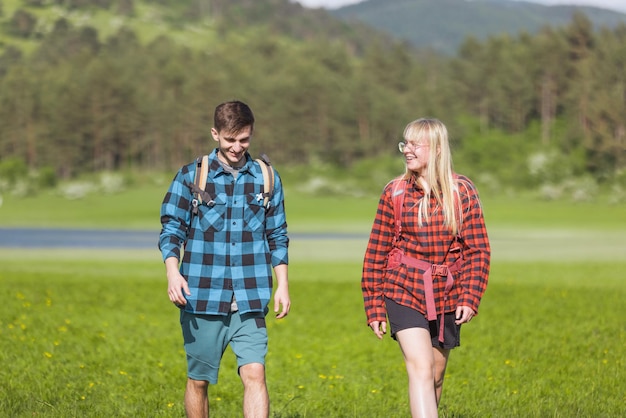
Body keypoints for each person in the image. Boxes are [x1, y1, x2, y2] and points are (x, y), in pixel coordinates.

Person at [158, 100, 290, 418]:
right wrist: (173, 273)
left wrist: (282, 285)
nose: (236, 147)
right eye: (230, 140)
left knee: (255, 374)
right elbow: (172, 229)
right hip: (201, 295)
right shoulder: (192, 176)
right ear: (215, 133)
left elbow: (278, 236)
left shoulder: (267, 178)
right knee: (199, 381)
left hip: (250, 295)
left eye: (244, 139)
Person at [361, 118, 490, 417]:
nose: (408, 150)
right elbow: (376, 252)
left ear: (437, 149)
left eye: (416, 144)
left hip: (447, 292)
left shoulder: (462, 191)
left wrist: (470, 297)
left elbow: (478, 250)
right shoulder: (394, 192)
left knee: (435, 374)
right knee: (420, 367)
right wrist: (374, 306)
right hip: (402, 287)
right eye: (405, 143)